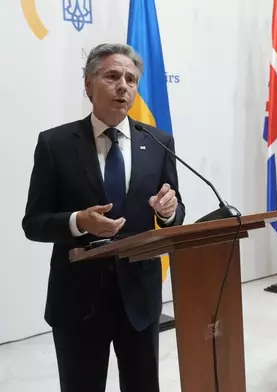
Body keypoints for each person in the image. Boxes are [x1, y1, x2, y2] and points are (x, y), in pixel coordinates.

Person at [22, 43, 186, 391]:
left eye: (130, 79)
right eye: (112, 76)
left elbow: (176, 210)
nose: (123, 86)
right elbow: (33, 222)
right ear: (87, 84)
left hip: (139, 300)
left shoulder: (158, 142)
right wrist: (78, 221)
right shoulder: (55, 144)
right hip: (78, 300)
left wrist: (169, 211)